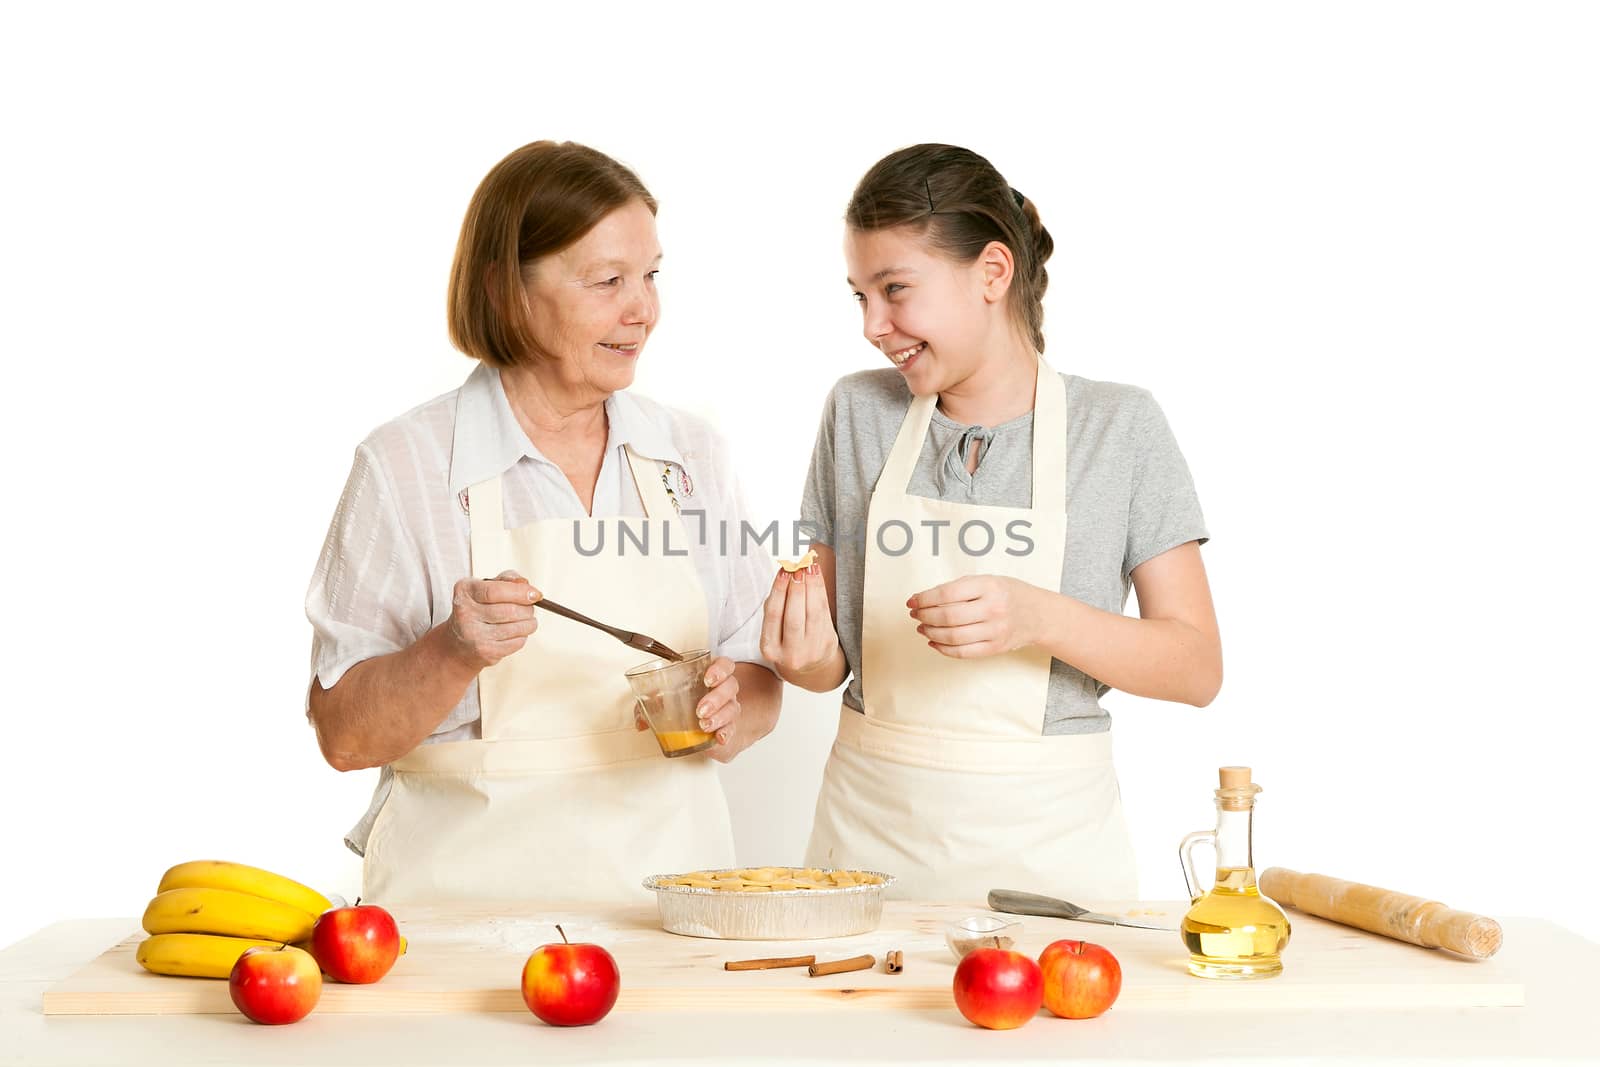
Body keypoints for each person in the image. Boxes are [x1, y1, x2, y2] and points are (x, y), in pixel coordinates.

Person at [305, 141, 780, 903]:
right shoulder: (405, 466)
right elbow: (343, 734)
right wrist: (452, 651)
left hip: (675, 905)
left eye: (651, 275)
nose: (643, 309)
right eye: (608, 281)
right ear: (506, 291)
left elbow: (758, 677)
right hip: (459, 918)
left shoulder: (690, 453)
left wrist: (733, 703)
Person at [761, 144, 1221, 902]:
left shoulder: (1119, 428)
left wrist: (1037, 615)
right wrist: (797, 655)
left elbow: (1197, 666)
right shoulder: (858, 413)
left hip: (1051, 855)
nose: (874, 325)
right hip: (868, 845)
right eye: (860, 296)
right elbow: (831, 666)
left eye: (896, 289)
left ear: (993, 273)